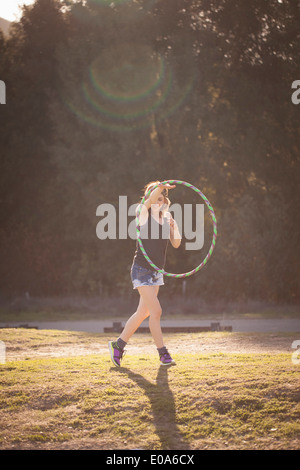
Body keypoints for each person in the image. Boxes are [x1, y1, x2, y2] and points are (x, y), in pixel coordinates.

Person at [108, 181, 181, 367]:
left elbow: (177, 243)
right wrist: (161, 186)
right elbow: (148, 201)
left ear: (165, 201)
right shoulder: (142, 214)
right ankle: (163, 354)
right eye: (154, 198)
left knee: (142, 313)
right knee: (156, 311)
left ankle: (118, 345)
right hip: (141, 270)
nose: (157, 201)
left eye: (161, 198)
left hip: (156, 272)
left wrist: (174, 228)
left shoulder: (167, 217)